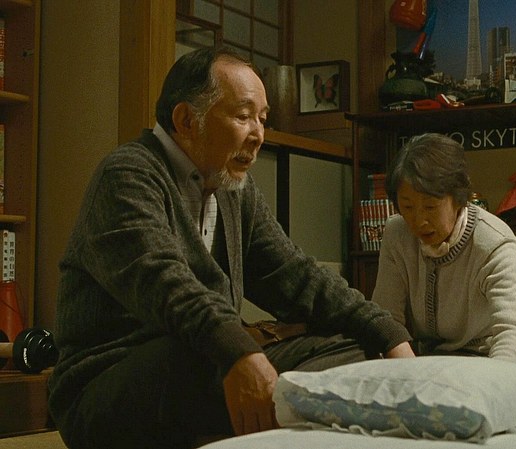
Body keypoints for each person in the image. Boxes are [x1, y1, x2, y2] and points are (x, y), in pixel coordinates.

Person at [47, 47, 414, 449]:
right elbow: (165, 284)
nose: (258, 135)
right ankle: (264, 421)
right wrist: (239, 352)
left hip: (201, 364)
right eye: (243, 116)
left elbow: (296, 275)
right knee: (205, 352)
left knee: (354, 348)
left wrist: (388, 335)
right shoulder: (127, 174)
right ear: (186, 120)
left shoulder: (233, 188)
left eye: (262, 119)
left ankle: (247, 427)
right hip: (109, 385)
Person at [372, 133, 516, 369]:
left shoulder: (494, 241)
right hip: (438, 358)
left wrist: (493, 384)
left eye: (430, 207)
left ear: (458, 199)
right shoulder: (396, 234)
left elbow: (509, 334)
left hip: (499, 357)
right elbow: (386, 317)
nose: (419, 220)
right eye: (408, 207)